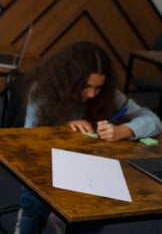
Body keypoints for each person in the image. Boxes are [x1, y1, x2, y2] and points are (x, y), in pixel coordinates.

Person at [15, 41, 162, 234]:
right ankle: (31, 218)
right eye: (86, 86)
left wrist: (125, 130)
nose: (92, 94)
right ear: (69, 79)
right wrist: (64, 126)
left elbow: (153, 120)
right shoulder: (43, 91)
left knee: (99, 211)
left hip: (90, 168)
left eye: (98, 88)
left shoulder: (108, 94)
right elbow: (29, 140)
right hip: (47, 167)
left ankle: (63, 221)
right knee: (34, 204)